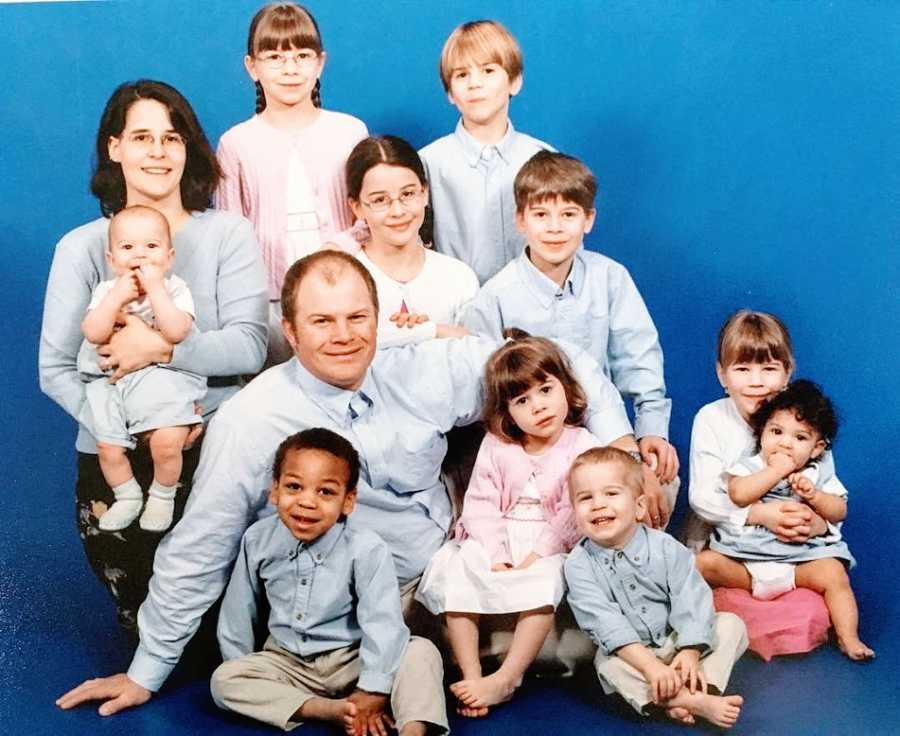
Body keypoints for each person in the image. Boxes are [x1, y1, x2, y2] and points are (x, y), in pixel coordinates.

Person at [56, 249, 647, 717]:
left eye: (356, 317)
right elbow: (202, 543)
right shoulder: (254, 418)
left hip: (457, 571)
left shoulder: (422, 369)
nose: (343, 335)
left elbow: (557, 357)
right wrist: (146, 670)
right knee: (570, 646)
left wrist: (619, 442)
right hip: (357, 610)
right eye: (321, 321)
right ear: (288, 328)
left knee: (621, 614)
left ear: (378, 318)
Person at [40, 79, 267, 633]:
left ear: (188, 149)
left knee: (226, 640)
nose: (158, 152)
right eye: (142, 137)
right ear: (115, 148)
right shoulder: (80, 248)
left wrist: (164, 352)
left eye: (172, 138)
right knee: (149, 633)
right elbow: (56, 370)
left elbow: (249, 345)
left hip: (209, 448)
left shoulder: (228, 235)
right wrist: (124, 425)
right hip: (115, 453)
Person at [463, 151, 679, 510]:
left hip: (605, 434)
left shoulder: (610, 277)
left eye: (568, 215)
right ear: (520, 220)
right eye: (540, 215)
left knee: (656, 491)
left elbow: (639, 358)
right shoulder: (495, 297)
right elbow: (486, 391)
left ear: (588, 220)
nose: (554, 228)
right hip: (532, 448)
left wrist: (651, 429)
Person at [210, 429, 447, 734]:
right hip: (287, 663)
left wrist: (373, 690)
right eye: (294, 487)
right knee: (223, 679)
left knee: (421, 652)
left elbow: (383, 622)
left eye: (326, 492)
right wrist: (244, 669)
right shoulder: (257, 539)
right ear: (274, 491)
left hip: (352, 659)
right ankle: (330, 710)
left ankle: (413, 729)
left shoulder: (365, 547)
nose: (307, 502)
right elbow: (238, 611)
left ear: (348, 501)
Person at [417, 335, 602, 717]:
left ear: (565, 387)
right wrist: (495, 554)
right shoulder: (499, 444)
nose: (539, 407)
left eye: (546, 390)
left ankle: (508, 677)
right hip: (496, 534)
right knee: (457, 570)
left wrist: (537, 554)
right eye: (522, 401)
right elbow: (481, 504)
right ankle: (471, 674)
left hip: (551, 541)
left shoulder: (582, 444)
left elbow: (573, 512)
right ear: (506, 412)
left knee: (545, 581)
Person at [215, 2, 368, 363]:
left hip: (344, 291)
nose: (290, 69)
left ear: (320, 63)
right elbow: (228, 236)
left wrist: (337, 248)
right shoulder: (235, 143)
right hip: (268, 302)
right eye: (274, 57)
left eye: (302, 55)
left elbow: (368, 215)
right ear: (252, 67)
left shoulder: (349, 132)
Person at [566, 447, 748, 729]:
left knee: (731, 625)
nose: (598, 504)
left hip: (677, 639)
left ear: (639, 506)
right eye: (585, 498)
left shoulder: (665, 548)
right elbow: (605, 623)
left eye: (611, 494)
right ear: (574, 511)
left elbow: (691, 598)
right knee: (606, 664)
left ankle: (699, 684)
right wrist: (650, 667)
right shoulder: (578, 564)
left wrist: (690, 650)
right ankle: (692, 702)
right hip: (634, 654)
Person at [699, 381, 873, 660]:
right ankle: (690, 630)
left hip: (799, 564)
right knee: (702, 563)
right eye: (776, 432)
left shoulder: (817, 473)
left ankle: (849, 638)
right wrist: (775, 470)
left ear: (817, 448)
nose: (785, 443)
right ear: (762, 433)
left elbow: (840, 509)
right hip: (746, 562)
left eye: (800, 438)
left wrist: (815, 496)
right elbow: (738, 493)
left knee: (835, 575)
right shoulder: (752, 465)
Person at [687, 311, 841, 596]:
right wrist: (760, 514)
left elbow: (826, 486)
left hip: (794, 552)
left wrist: (820, 526)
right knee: (700, 581)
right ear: (722, 374)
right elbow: (703, 498)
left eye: (769, 369)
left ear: (787, 373)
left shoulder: (804, 418)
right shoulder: (712, 418)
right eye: (742, 369)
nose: (756, 382)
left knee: (823, 591)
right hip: (727, 546)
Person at [80, 206, 206, 533]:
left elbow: (177, 332)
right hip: (115, 384)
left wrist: (156, 290)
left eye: (151, 247)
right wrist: (115, 299)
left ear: (169, 256)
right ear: (111, 259)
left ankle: (161, 496)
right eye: (127, 247)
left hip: (163, 381)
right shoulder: (106, 292)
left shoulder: (175, 289)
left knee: (167, 442)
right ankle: (127, 496)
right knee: (108, 447)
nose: (140, 255)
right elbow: (93, 332)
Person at [419, 20, 553, 285]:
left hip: (532, 311)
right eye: (461, 75)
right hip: (460, 310)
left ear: (514, 82)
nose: (474, 83)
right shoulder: (429, 163)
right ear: (450, 93)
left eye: (488, 70)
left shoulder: (542, 158)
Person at [347, 135, 478, 348]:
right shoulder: (344, 281)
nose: (397, 211)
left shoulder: (459, 278)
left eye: (408, 194)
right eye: (380, 200)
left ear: (425, 193)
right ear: (357, 207)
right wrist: (432, 331)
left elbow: (477, 352)